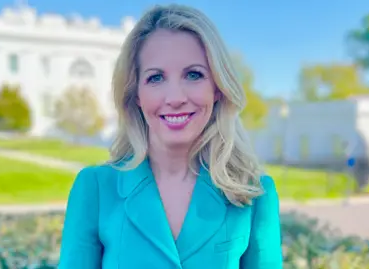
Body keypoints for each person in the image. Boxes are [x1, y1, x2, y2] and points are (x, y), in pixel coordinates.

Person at [58, 4, 282, 269]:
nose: (175, 98)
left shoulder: (255, 194)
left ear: (218, 88)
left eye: (194, 74)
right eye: (156, 78)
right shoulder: (95, 189)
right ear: (136, 94)